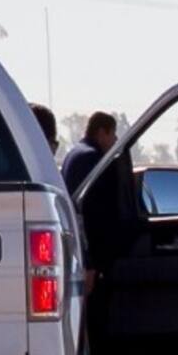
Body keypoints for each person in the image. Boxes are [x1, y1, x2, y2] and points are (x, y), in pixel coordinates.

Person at [61, 112, 120, 291]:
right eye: (113, 134)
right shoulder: (92, 158)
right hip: (86, 255)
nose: (115, 140)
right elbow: (92, 214)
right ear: (102, 133)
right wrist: (91, 262)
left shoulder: (75, 153)